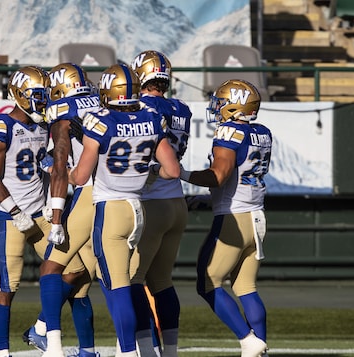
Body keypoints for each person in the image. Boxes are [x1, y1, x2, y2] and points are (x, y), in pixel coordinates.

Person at [69, 63, 181, 357]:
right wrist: (147, 170)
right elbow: (172, 170)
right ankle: (147, 350)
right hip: (138, 211)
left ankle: (128, 353)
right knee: (135, 282)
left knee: (119, 288)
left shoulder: (99, 120)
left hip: (111, 209)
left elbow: (80, 177)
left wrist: (62, 173)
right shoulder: (152, 118)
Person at [0, 65, 86, 357]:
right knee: (7, 287)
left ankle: (40, 328)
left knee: (76, 269)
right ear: (19, 95)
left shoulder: (43, 125)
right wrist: (16, 212)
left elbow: (43, 161)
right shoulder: (0, 125)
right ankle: (3, 354)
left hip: (39, 213)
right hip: (9, 217)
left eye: (45, 96)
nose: (43, 102)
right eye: (37, 96)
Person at [180, 79, 272, 357]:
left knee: (207, 282)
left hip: (234, 219)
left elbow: (218, 177)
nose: (216, 107)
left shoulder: (230, 131)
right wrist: (207, 200)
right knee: (246, 287)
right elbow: (241, 181)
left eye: (221, 102)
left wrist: (181, 174)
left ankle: (249, 340)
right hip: (256, 216)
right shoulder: (262, 132)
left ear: (234, 106)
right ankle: (262, 350)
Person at [23, 63, 101, 357]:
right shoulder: (100, 101)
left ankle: (49, 341)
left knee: (51, 268)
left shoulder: (62, 111)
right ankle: (91, 351)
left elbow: (59, 168)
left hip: (90, 193)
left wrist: (56, 217)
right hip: (121, 196)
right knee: (92, 280)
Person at [128, 50, 192, 357]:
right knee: (162, 281)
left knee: (130, 280)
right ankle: (170, 352)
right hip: (176, 201)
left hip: (150, 200)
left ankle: (142, 350)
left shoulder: (142, 106)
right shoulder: (181, 108)